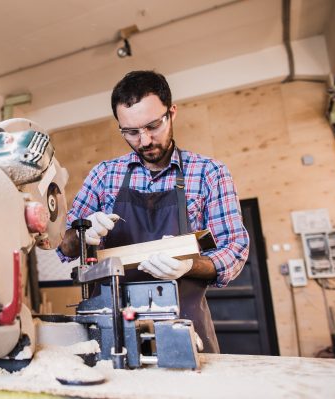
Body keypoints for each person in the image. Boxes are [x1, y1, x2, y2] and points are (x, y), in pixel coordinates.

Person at [57, 70, 249, 353]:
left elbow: (235, 247)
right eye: (131, 132)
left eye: (153, 126)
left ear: (172, 113)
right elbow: (65, 246)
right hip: (114, 326)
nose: (144, 140)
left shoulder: (209, 173)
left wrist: (189, 266)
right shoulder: (104, 175)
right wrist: (83, 232)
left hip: (183, 321)